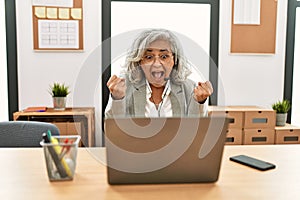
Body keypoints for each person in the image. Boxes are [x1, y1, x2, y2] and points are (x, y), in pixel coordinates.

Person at [105, 28, 213, 118]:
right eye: (149, 57)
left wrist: (200, 102)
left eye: (164, 56)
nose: (157, 64)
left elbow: (196, 132)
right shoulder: (126, 87)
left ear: (174, 60)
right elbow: (114, 131)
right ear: (140, 61)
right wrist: (117, 99)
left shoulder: (189, 88)